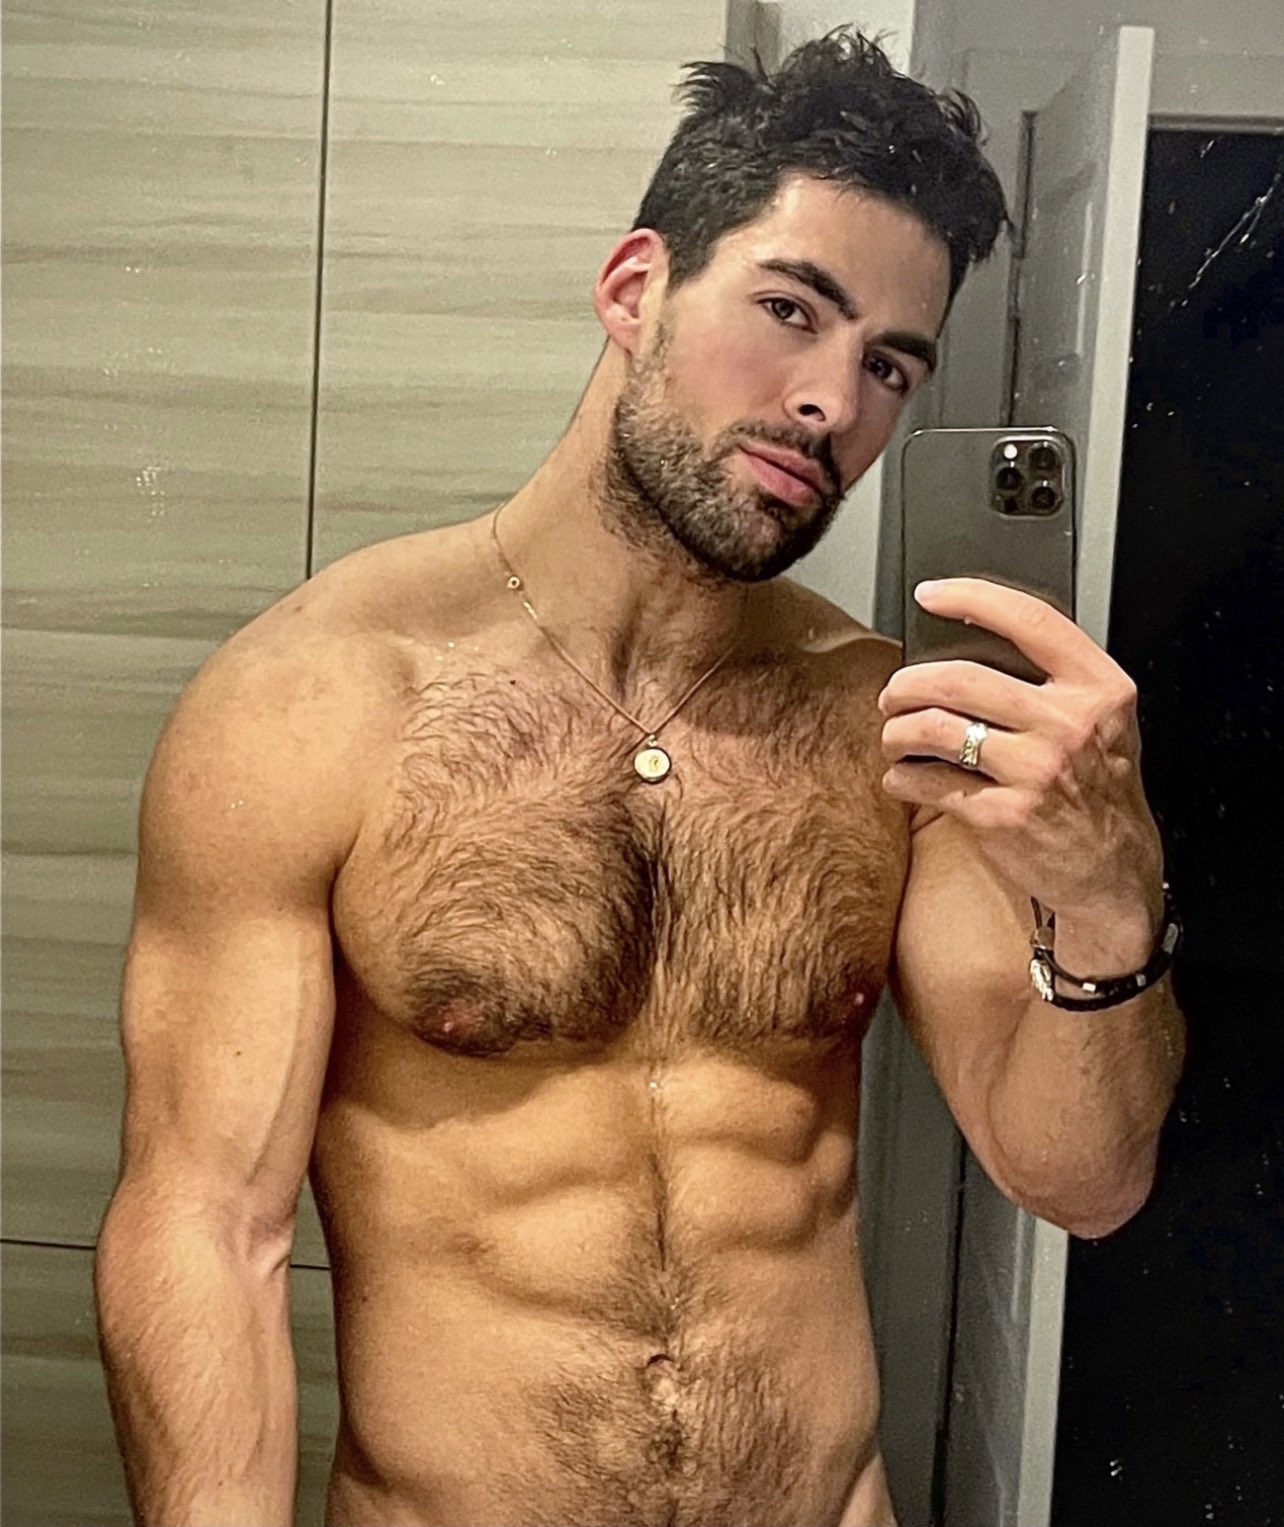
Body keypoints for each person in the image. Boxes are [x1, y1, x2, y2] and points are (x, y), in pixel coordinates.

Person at [94, 29, 1186, 1527]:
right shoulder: (318, 700)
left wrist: (1112, 902)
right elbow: (205, 1228)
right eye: (790, 310)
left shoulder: (883, 727)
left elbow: (1082, 1181)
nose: (831, 402)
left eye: (888, 365)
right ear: (633, 289)